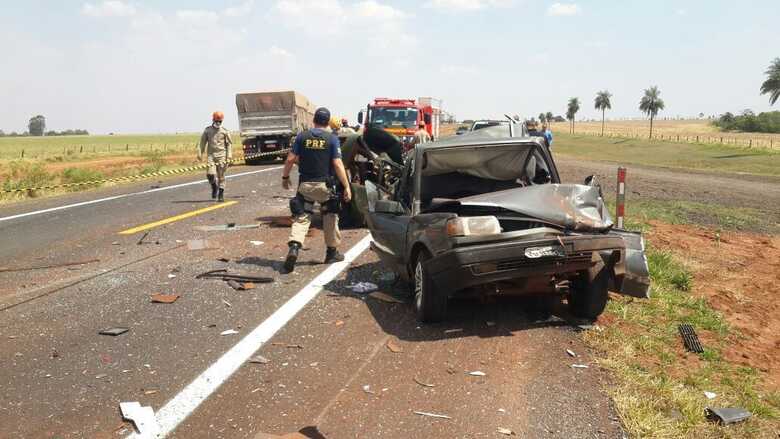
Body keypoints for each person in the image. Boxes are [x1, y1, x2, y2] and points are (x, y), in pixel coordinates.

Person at [281, 107, 352, 273]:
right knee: (330, 216)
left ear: (314, 120)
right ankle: (331, 253)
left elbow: (290, 159)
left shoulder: (302, 137)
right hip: (325, 187)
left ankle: (294, 247)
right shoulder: (332, 139)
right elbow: (337, 164)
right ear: (328, 122)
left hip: (305, 185)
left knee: (302, 217)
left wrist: (285, 177)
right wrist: (347, 186)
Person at [198, 111, 232, 202]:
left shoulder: (225, 131)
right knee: (210, 174)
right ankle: (214, 186)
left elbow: (229, 144)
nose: (218, 123)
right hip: (211, 156)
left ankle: (221, 194)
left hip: (222, 156)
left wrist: (229, 156)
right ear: (213, 120)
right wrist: (200, 153)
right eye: (217, 121)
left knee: (221, 176)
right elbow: (202, 143)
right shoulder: (207, 130)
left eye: (220, 121)